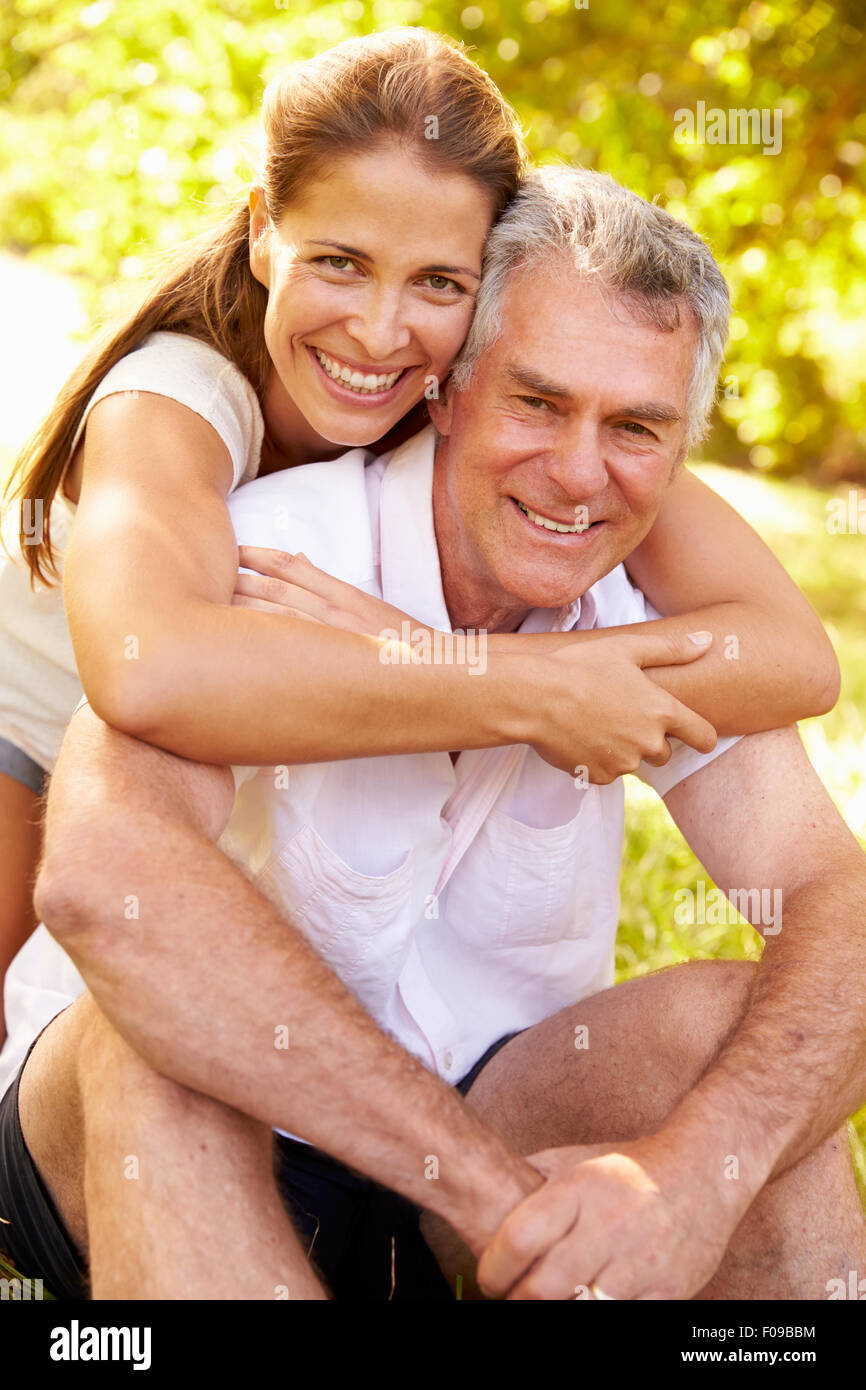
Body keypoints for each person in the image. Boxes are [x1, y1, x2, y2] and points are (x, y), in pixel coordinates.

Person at [2, 166, 863, 1302]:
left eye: (636, 428)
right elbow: (107, 879)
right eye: (536, 403)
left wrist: (695, 1176)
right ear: (447, 390)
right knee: (155, 1051)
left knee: (731, 1032)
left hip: (490, 1108)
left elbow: (831, 895)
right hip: (178, 1122)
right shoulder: (272, 559)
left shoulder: (652, 614)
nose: (576, 472)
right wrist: (482, 1194)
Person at [0, 29, 840, 1048]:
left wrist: (462, 654)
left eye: (437, 282)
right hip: (31, 742)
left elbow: (790, 655)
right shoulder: (174, 399)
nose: (378, 330)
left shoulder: (483, 401)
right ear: (264, 232)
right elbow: (153, 673)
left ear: (487, 288)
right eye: (340, 263)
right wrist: (526, 689)